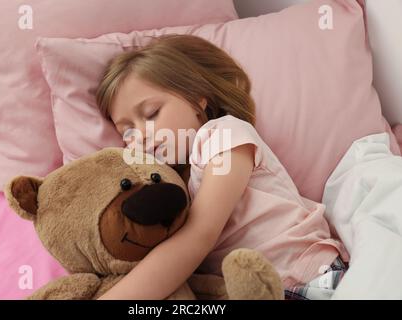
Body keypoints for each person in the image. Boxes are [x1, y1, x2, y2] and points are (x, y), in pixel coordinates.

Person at [95, 34, 349, 300]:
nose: (141, 136)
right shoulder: (169, 185)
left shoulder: (223, 135)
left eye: (151, 114)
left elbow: (199, 236)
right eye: (127, 132)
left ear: (197, 99)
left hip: (308, 278)